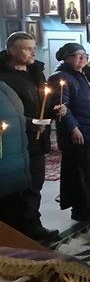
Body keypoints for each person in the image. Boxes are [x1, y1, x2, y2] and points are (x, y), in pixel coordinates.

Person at [0, 32, 61, 241]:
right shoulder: (3, 77)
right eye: (27, 49)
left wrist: (55, 110)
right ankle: (17, 229)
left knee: (35, 183)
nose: (34, 52)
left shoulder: (36, 71)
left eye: (34, 48)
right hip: (14, 140)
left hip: (37, 139)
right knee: (15, 187)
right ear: (12, 50)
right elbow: (5, 112)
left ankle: (33, 224)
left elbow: (44, 103)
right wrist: (29, 122)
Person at [48, 43, 90, 222]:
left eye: (84, 55)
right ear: (66, 58)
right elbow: (61, 106)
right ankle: (79, 209)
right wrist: (73, 128)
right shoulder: (61, 78)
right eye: (77, 55)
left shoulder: (89, 75)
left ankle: (89, 204)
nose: (82, 58)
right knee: (79, 171)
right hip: (79, 131)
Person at [0, 82, 31, 233]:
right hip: (4, 168)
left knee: (14, 217)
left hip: (14, 165)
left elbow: (16, 118)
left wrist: (31, 123)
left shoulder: (3, 87)